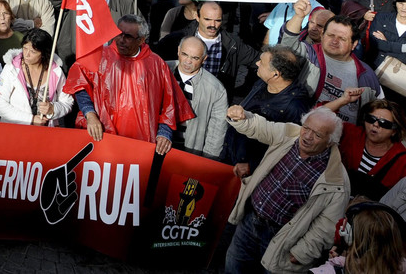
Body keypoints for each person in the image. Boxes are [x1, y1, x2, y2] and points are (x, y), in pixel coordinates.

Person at [223, 106, 349, 274]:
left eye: (317, 135)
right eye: (306, 128)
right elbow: (261, 127)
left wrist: (303, 252)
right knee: (233, 268)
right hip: (250, 221)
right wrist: (241, 118)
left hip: (283, 240)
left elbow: (327, 224)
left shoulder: (337, 178)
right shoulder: (289, 133)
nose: (307, 136)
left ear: (330, 141)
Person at [63, 14, 194, 152]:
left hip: (139, 143)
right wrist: (90, 114)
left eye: (128, 36)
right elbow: (79, 85)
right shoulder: (99, 57)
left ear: (141, 40)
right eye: (119, 34)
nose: (121, 40)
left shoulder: (156, 64)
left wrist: (164, 132)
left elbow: (169, 103)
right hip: (101, 135)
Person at [280, 0, 383, 122]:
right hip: (303, 128)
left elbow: (379, 110)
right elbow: (287, 46)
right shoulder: (309, 54)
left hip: (345, 137)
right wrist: (298, 16)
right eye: (330, 35)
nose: (334, 41)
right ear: (322, 35)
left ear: (354, 44)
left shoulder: (367, 74)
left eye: (342, 38)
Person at [328, 96, 406, 200]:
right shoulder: (350, 133)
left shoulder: (402, 161)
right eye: (371, 119)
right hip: (330, 196)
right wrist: (343, 100)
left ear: (394, 131)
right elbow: (316, 119)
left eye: (384, 123)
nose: (375, 125)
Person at [0, 28, 73, 126]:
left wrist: (53, 109)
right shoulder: (11, 68)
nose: (27, 54)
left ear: (43, 53)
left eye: (33, 52)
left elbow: (68, 102)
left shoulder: (56, 71)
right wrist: (30, 119)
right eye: (25, 48)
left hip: (45, 133)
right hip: (15, 132)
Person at [167, 36, 229, 159]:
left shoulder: (216, 89)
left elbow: (216, 133)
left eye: (195, 58)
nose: (188, 61)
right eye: (185, 54)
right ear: (178, 51)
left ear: (204, 59)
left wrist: (206, 163)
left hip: (189, 151)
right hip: (157, 145)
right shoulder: (160, 70)